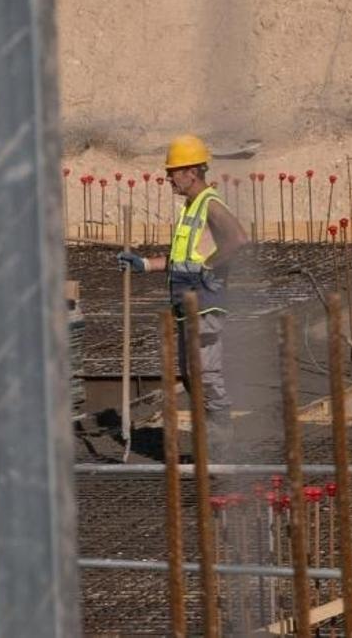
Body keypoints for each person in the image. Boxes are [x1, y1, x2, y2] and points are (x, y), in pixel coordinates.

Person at [117, 134, 248, 460]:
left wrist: (210, 266)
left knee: (206, 376)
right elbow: (182, 261)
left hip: (205, 304)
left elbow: (238, 239)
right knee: (192, 377)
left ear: (192, 171)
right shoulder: (191, 208)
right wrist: (144, 264)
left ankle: (221, 450)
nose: (169, 178)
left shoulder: (210, 203)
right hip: (187, 305)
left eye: (173, 171)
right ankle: (211, 447)